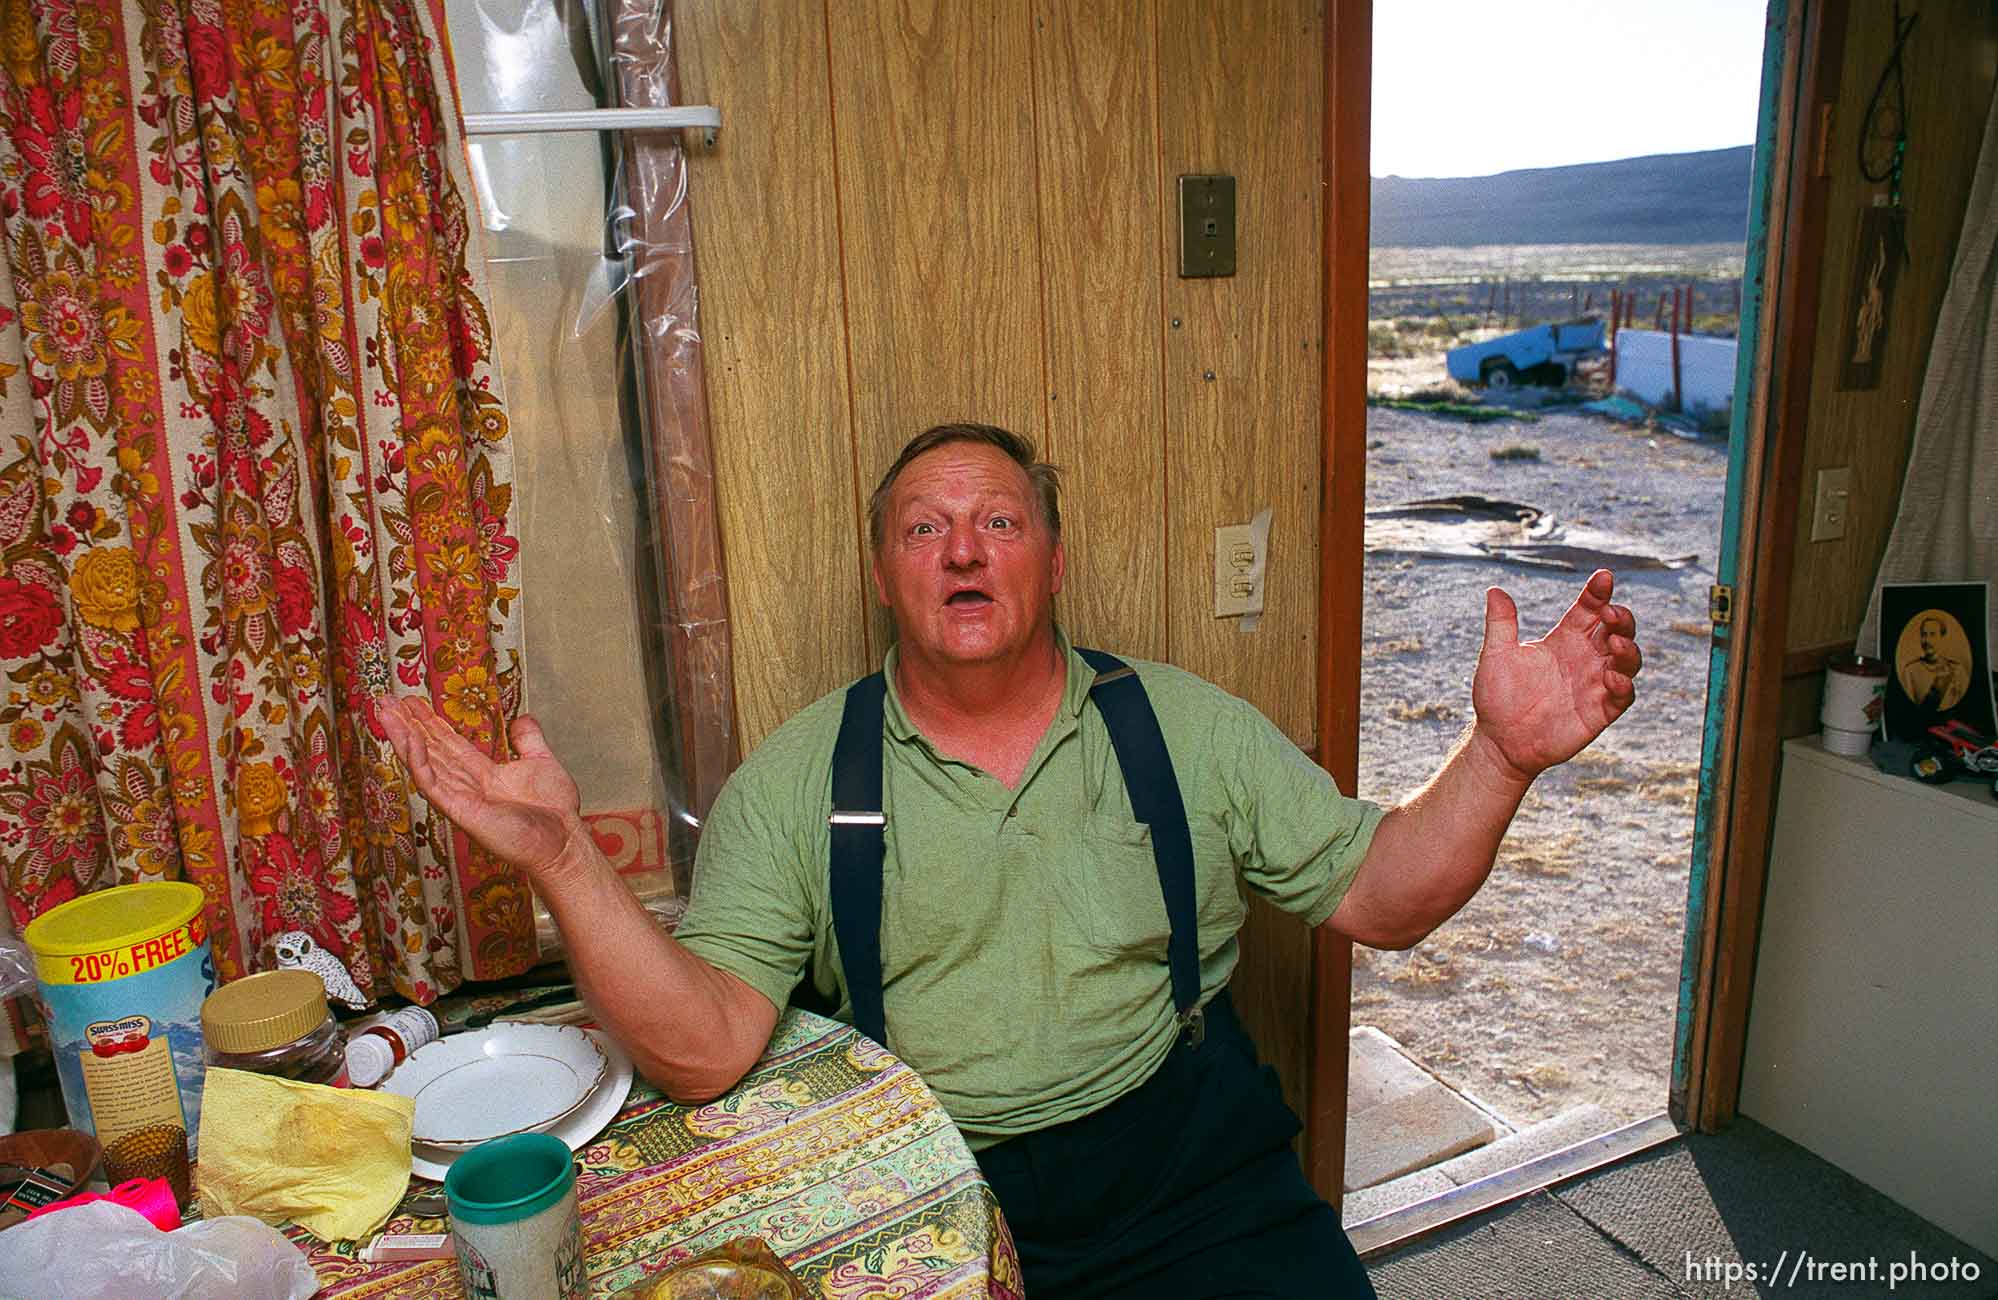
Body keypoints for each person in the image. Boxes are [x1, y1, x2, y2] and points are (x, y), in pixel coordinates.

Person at [380, 423, 1643, 1299]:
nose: (966, 550)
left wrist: (1501, 756)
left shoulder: (1182, 726)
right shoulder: (798, 780)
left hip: (1198, 1179)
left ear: (1050, 555)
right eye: (925, 529)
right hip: (935, 1186)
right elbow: (704, 1046)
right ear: (885, 573)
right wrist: (563, 861)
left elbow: (1383, 894)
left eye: (999, 520)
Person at [1899, 615, 1967, 712]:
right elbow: (1906, 709)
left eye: (1932, 634)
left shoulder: (1957, 670)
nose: (1927, 640)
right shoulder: (1910, 671)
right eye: (1924, 635)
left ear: (1942, 638)